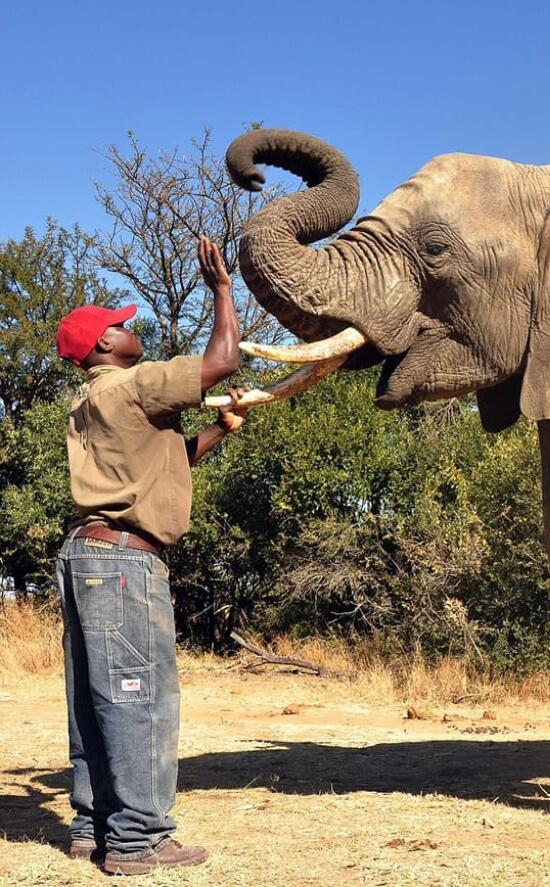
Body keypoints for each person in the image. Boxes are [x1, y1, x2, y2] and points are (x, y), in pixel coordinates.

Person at [54, 235, 246, 875]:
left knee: (94, 697)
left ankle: (93, 825)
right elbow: (222, 362)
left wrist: (218, 430)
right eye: (122, 328)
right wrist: (222, 289)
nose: (132, 332)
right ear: (105, 346)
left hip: (85, 556)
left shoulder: (89, 402)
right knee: (140, 695)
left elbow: (157, 470)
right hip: (123, 565)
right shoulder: (132, 385)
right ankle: (139, 839)